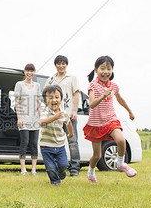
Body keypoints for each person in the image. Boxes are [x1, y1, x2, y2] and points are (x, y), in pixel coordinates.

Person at [83, 55, 137, 184]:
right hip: (96, 123)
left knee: (121, 140)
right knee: (97, 156)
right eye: (102, 68)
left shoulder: (114, 86)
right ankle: (90, 172)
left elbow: (119, 99)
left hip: (110, 119)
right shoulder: (93, 86)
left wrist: (129, 111)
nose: (106, 72)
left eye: (109, 68)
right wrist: (102, 96)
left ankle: (120, 163)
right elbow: (91, 104)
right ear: (96, 70)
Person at [46, 55, 81, 176]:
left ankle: (75, 168)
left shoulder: (72, 78)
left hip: (68, 114)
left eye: (63, 63)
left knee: (72, 141)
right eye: (59, 63)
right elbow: (46, 96)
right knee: (55, 141)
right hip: (54, 115)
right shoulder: (50, 79)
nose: (61, 66)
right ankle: (59, 167)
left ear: (66, 65)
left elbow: (76, 94)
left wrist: (75, 110)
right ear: (55, 65)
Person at [39, 84, 74, 186]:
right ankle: (55, 181)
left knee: (64, 164)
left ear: (61, 99)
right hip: (46, 145)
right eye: (50, 98)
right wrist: (54, 117)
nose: (54, 100)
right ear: (45, 101)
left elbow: (68, 123)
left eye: (57, 97)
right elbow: (41, 122)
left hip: (59, 144)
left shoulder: (63, 113)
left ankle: (61, 171)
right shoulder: (45, 112)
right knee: (50, 167)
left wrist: (71, 134)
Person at [14, 63, 41, 176]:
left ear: (34, 72)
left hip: (35, 119)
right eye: (27, 70)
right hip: (24, 119)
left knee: (34, 144)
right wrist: (19, 117)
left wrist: (41, 118)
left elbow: (38, 102)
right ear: (24, 72)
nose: (30, 73)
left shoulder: (37, 85)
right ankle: (23, 169)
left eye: (32, 71)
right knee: (24, 142)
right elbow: (17, 102)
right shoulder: (19, 84)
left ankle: (33, 169)